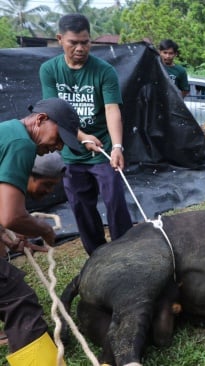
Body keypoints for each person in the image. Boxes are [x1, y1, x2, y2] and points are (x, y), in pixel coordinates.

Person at [39, 13, 133, 255]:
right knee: (81, 206)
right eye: (73, 42)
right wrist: (81, 137)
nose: (80, 48)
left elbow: (112, 110)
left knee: (115, 203)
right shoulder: (49, 70)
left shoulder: (104, 71)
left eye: (85, 42)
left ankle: (124, 252)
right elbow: (53, 111)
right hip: (72, 152)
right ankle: (97, 255)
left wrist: (117, 147)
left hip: (104, 151)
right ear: (60, 39)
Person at [0, 98, 81, 365]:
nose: (57, 147)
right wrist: (44, 230)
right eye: (59, 138)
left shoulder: (8, 130)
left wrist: (8, 240)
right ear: (41, 119)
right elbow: (10, 215)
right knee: (17, 299)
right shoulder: (22, 144)